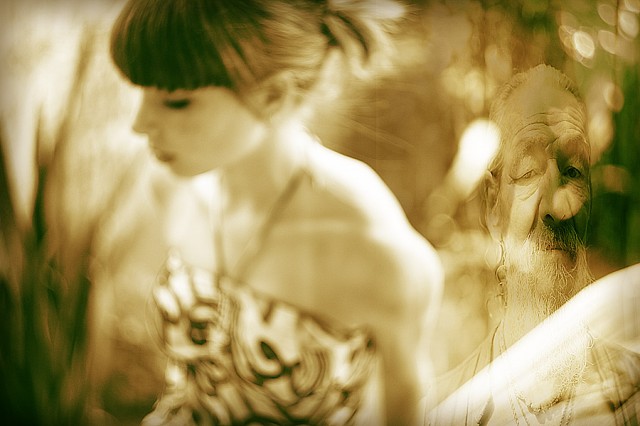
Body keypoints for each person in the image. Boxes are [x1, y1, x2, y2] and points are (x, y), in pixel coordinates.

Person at [108, 0, 443, 425]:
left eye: (176, 102)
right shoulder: (172, 187)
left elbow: (406, 398)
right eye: (141, 92)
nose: (139, 124)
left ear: (273, 95)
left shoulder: (372, 250)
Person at [427, 64, 640, 424]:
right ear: (492, 205)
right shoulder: (440, 412)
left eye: (573, 171)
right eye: (527, 171)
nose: (556, 205)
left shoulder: (634, 396)